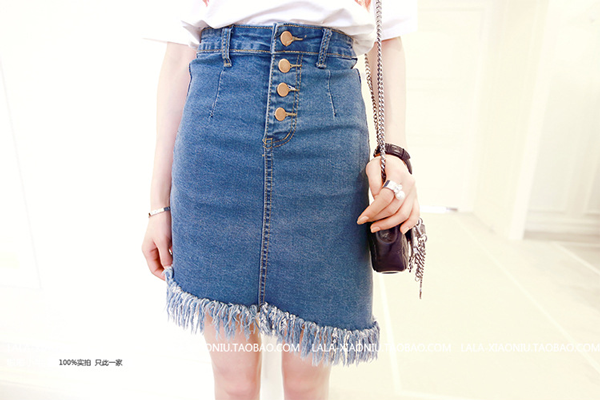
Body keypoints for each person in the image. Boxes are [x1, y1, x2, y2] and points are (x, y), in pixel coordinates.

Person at [141, 1, 420, 399]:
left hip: (328, 130)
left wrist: (395, 153)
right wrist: (158, 204)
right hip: (218, 126)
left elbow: (386, 40)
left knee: (307, 384)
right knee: (233, 382)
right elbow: (179, 52)